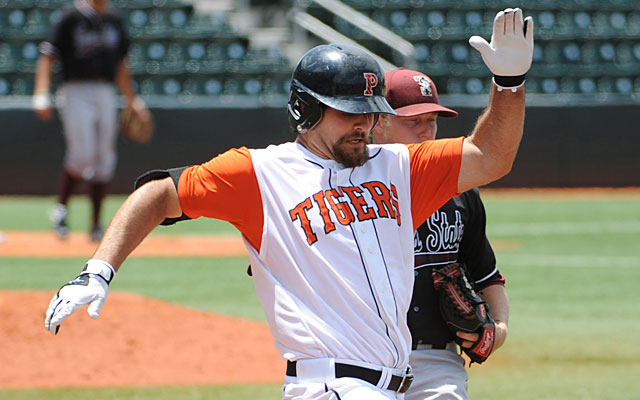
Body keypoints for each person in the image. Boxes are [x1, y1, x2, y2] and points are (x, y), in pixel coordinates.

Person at [43, 8, 533, 400]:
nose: (363, 124)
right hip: (330, 385)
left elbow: (490, 156)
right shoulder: (259, 173)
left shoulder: (399, 166)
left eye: (369, 113)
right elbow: (157, 193)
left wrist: (508, 85)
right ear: (308, 109)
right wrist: (98, 271)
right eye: (348, 114)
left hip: (401, 381)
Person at [371, 68, 509, 400]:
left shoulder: (461, 191)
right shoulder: (347, 189)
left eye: (431, 120)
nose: (424, 130)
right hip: (362, 357)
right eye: (412, 121)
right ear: (378, 122)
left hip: (437, 361)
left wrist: (499, 329)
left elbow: (485, 273)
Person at [32, 0, 149, 242]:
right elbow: (47, 56)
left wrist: (131, 99)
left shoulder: (115, 19)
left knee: (104, 157)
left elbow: (121, 65)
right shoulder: (70, 16)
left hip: (106, 91)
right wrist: (41, 93)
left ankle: (96, 223)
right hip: (75, 89)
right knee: (82, 155)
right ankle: (61, 209)